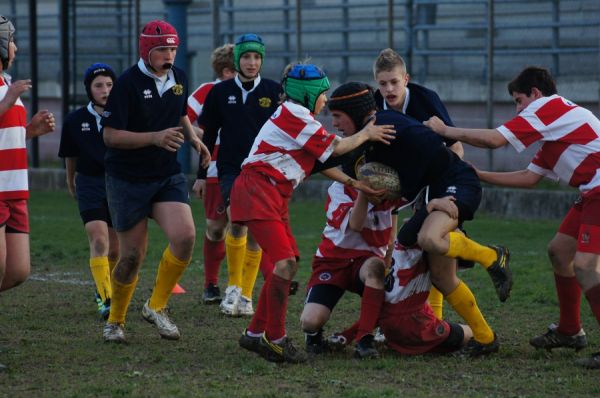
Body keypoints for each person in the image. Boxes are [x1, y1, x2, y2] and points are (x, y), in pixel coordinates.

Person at [424, 66, 600, 368]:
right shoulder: (554, 133)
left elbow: (495, 140)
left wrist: (445, 130)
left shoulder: (549, 107)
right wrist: (476, 174)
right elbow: (529, 178)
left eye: (519, 101)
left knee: (585, 265)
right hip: (591, 191)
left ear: (535, 93)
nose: (518, 109)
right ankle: (571, 331)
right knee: (560, 252)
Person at [328, 83, 510, 356]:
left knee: (428, 238)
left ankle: (491, 256)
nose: (335, 124)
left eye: (338, 116)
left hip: (455, 183)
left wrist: (406, 192)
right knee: (442, 277)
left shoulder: (386, 125)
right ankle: (485, 339)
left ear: (354, 113)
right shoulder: (369, 138)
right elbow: (332, 158)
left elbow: (432, 150)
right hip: (431, 195)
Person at [234, 63, 396, 364]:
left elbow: (322, 160)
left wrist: (353, 181)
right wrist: (367, 134)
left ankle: (255, 334)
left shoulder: (297, 117)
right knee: (284, 265)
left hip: (273, 192)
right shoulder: (295, 114)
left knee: (290, 263)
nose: (324, 101)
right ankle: (276, 339)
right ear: (308, 94)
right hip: (260, 188)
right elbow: (336, 148)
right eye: (322, 95)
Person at [100, 20, 210, 343]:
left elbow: (180, 114)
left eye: (173, 49)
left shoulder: (179, 78)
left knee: (186, 236)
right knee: (132, 256)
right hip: (127, 178)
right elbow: (109, 136)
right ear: (146, 50)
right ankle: (116, 321)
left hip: (165, 174)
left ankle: (156, 306)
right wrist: (155, 137)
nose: (170, 55)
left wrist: (193, 139)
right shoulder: (126, 84)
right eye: (163, 49)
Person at [300, 82, 407, 359]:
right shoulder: (338, 188)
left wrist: (389, 254)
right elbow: (357, 224)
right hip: (333, 260)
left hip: (366, 261)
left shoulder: (389, 177)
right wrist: (363, 189)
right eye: (332, 116)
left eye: (338, 117)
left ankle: (364, 339)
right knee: (309, 321)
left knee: (375, 269)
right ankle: (318, 336)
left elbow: (395, 213)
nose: (333, 123)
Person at [198, 33, 281, 316]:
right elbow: (208, 135)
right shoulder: (220, 92)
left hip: (264, 169)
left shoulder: (273, 91)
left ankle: (246, 296)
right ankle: (233, 286)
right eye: (246, 57)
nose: (251, 62)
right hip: (231, 169)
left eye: (257, 57)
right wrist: (200, 174)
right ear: (237, 60)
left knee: (255, 231)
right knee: (236, 221)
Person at [332, 198, 473, 357]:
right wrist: (456, 233)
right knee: (472, 333)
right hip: (414, 326)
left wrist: (347, 334)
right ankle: (487, 338)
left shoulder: (406, 235)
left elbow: (386, 306)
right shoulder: (429, 240)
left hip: (391, 325)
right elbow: (465, 263)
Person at [0, 15, 56, 370]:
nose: (16, 47)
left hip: (14, 190)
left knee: (18, 271)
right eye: (11, 40)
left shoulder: (5, 82)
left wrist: (31, 131)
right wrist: (10, 98)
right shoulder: (8, 89)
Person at [58, 63, 119, 319]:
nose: (105, 90)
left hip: (118, 184)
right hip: (89, 183)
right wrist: (71, 181)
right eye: (98, 85)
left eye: (109, 85)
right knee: (99, 239)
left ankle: (102, 286)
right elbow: (70, 156)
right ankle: (106, 300)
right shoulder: (75, 120)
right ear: (88, 89)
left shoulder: (124, 116)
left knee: (116, 250)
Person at [188, 44, 236, 304]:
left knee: (241, 225)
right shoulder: (208, 91)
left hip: (242, 168)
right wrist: (203, 139)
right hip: (215, 170)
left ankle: (238, 285)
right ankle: (210, 284)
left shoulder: (250, 91)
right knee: (216, 228)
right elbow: (179, 118)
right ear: (227, 71)